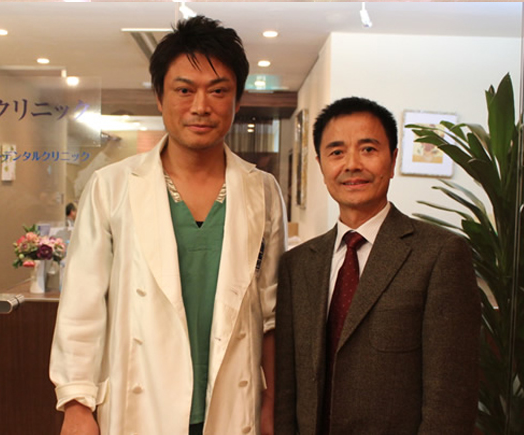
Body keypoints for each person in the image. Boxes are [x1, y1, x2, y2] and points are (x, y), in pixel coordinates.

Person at [50, 15, 286, 435]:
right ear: (160, 97)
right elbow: (82, 306)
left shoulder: (262, 190)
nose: (201, 106)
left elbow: (271, 313)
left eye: (218, 91)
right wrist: (76, 403)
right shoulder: (112, 185)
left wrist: (271, 404)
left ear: (237, 101)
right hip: (141, 404)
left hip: (233, 405)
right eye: (184, 90)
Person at [274, 97, 480, 435]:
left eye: (368, 149)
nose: (352, 164)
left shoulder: (440, 254)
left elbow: (451, 398)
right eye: (337, 152)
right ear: (321, 164)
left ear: (393, 159)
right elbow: (287, 389)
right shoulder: (297, 265)